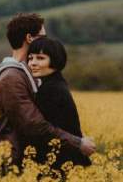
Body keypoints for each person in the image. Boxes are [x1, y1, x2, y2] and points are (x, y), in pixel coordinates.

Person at [0, 13, 96, 174]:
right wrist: (77, 143)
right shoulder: (11, 77)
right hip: (17, 162)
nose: (46, 41)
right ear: (30, 38)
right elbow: (33, 125)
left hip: (36, 160)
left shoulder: (29, 72)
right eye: (42, 36)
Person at [27, 36, 92, 170]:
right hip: (66, 159)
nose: (32, 63)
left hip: (61, 162)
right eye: (30, 58)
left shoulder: (51, 89)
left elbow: (43, 129)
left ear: (55, 60)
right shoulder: (55, 83)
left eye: (40, 58)